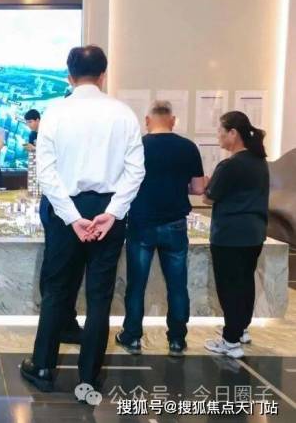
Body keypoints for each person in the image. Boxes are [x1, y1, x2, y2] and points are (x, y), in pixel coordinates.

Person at [20, 46, 145, 401]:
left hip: (66, 210)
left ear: (69, 76)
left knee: (57, 290)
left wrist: (73, 217)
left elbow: (46, 173)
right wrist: (114, 211)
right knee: (100, 297)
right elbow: (136, 171)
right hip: (107, 210)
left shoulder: (56, 113)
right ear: (103, 75)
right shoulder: (123, 114)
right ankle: (88, 377)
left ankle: (43, 368)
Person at [115, 100, 206, 357]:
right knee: (177, 285)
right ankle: (177, 339)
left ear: (147, 120)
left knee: (137, 284)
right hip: (175, 224)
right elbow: (198, 188)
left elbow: (123, 184)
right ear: (173, 120)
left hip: (141, 223)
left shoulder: (137, 146)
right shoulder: (188, 147)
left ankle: (132, 336)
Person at [203, 111, 269, 359]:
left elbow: (209, 197)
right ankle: (240, 329)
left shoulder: (229, 165)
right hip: (254, 233)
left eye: (220, 132)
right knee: (245, 282)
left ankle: (230, 341)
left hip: (229, 236)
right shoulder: (259, 162)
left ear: (233, 133)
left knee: (229, 287)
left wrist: (207, 186)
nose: (218, 137)